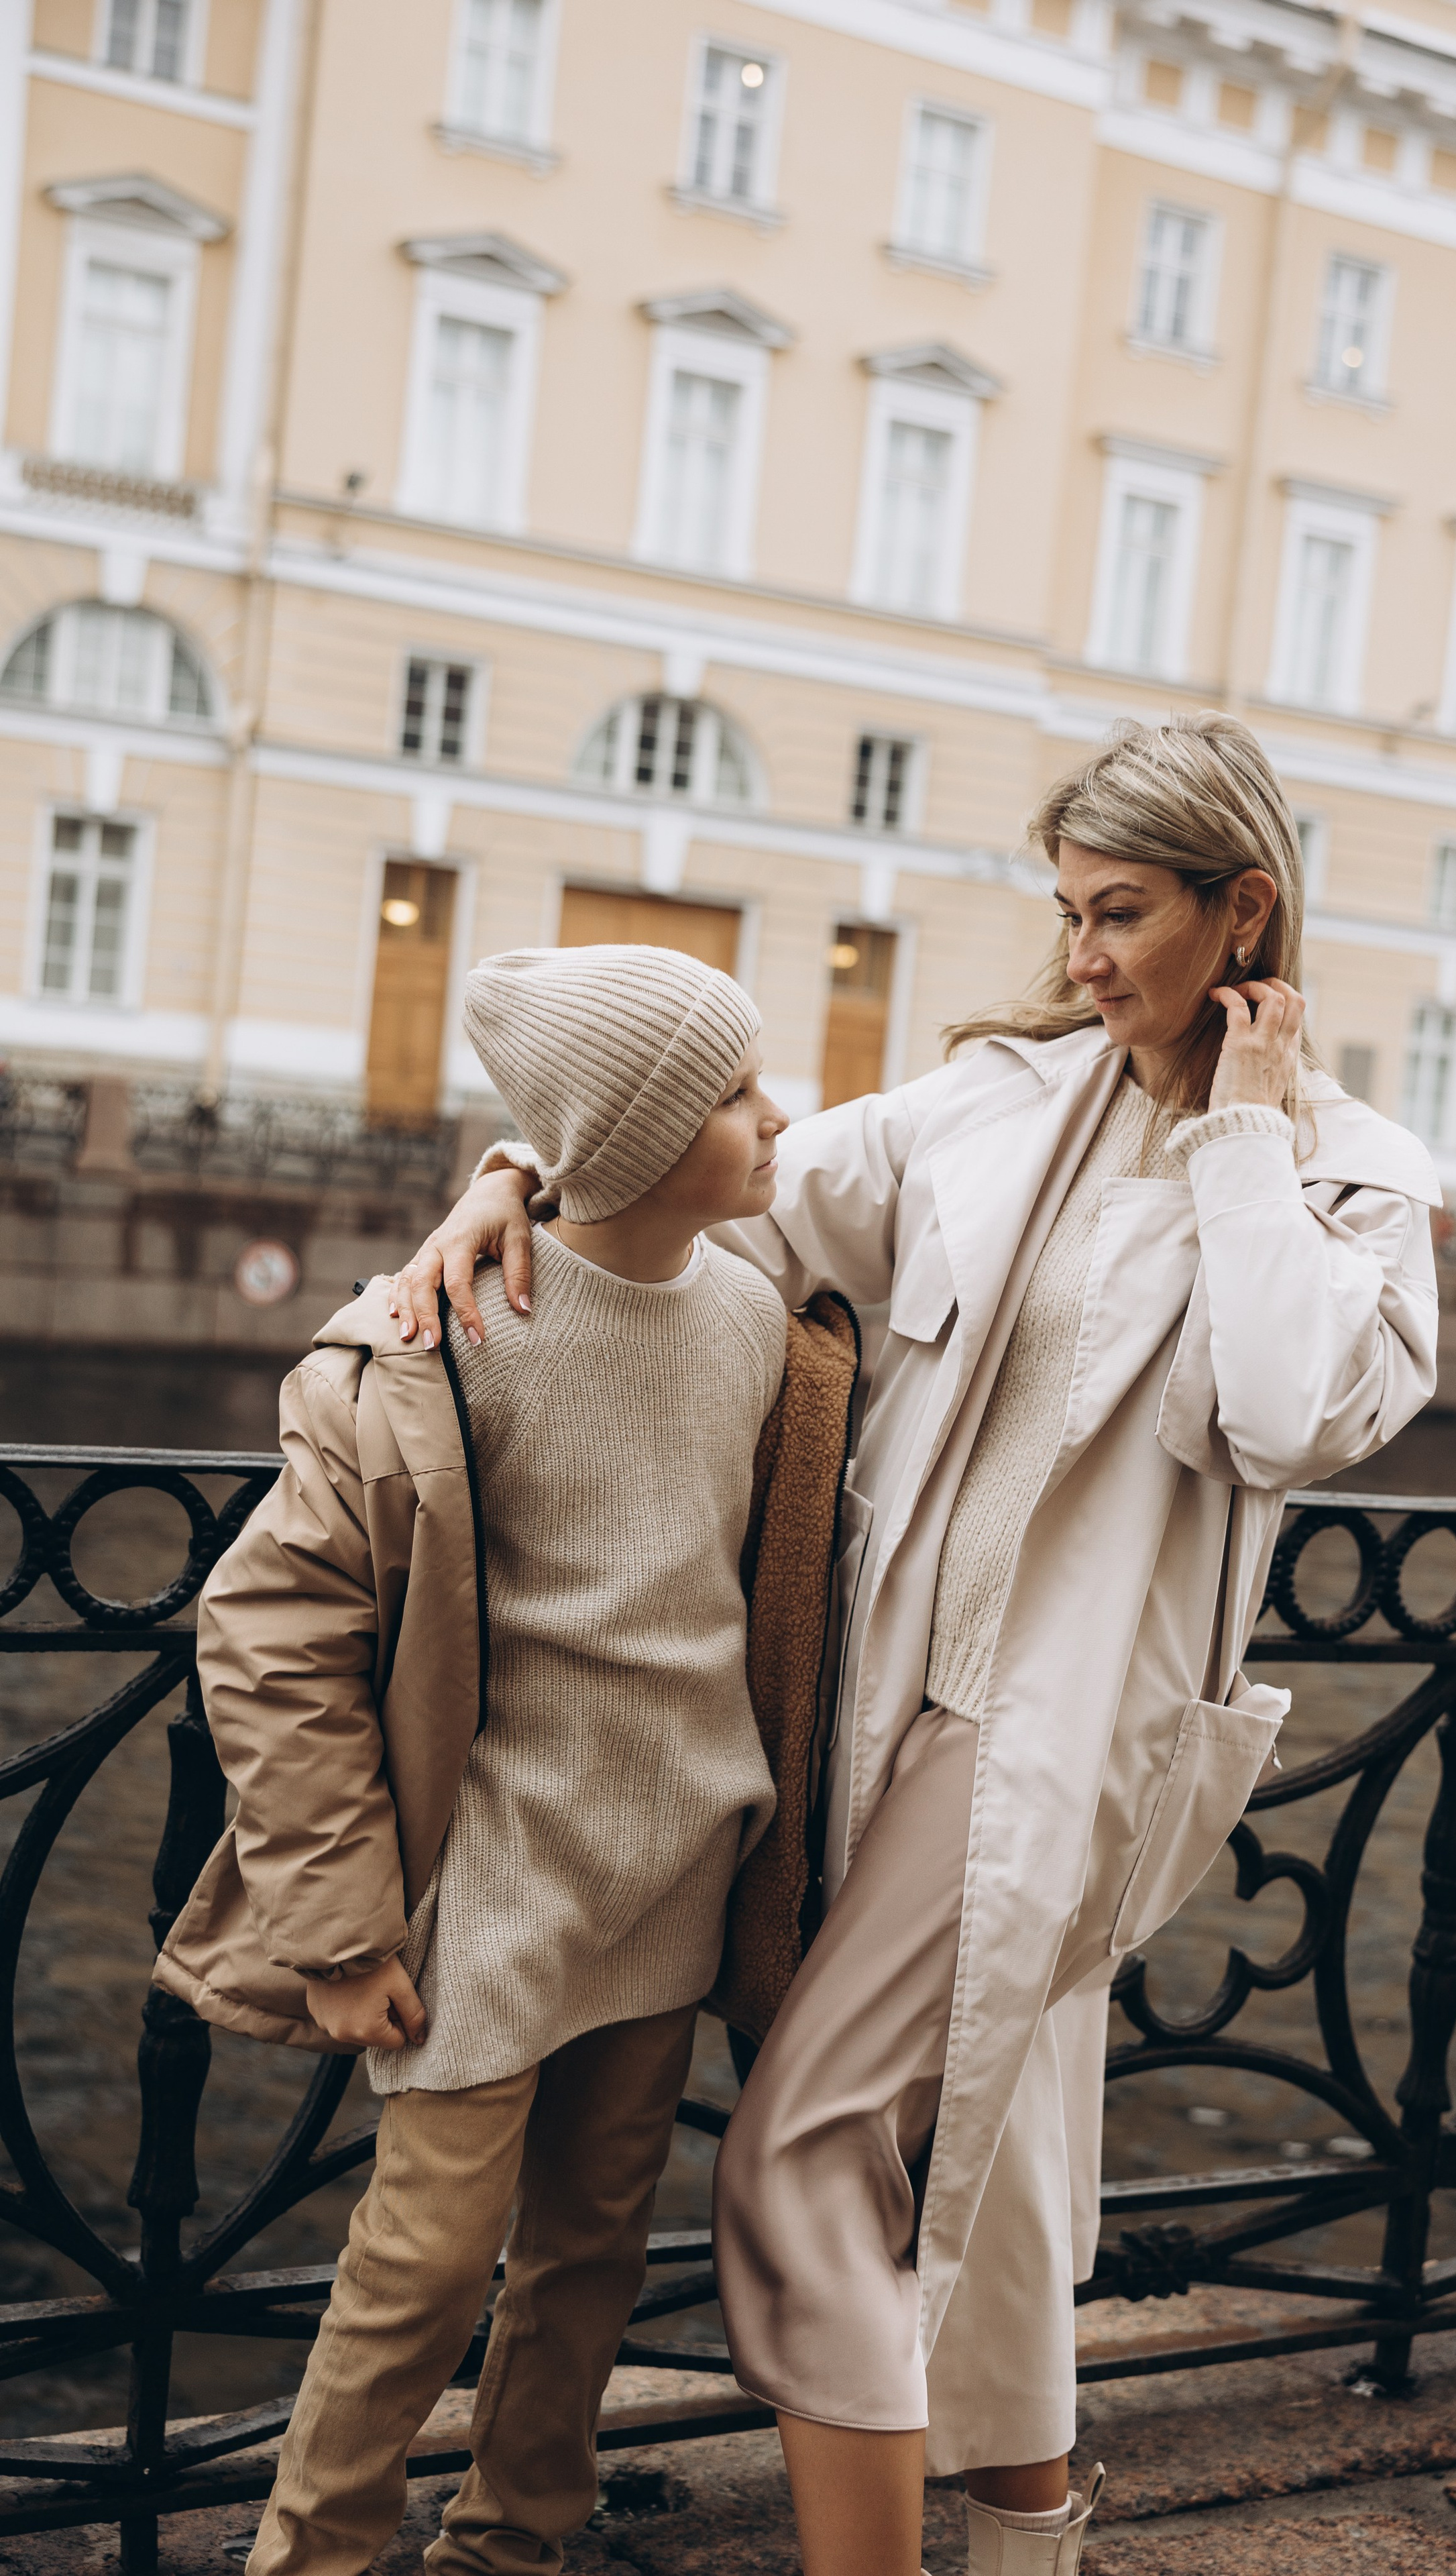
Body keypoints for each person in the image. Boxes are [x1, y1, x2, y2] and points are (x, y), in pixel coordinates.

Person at [391, 713, 1441, 2576]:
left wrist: (1247, 1136)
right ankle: (1031, 2543)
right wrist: (509, 1172)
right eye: (1069, 912)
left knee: (801, 2147)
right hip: (868, 1707)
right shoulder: (998, 1104)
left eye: (1121, 914)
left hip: (1049, 1735)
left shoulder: (1354, 1175)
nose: (1086, 956)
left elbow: (1293, 1407)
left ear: (1244, 910)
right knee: (990, 2128)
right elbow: (711, 1193)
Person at [156, 944, 857, 2576]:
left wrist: (508, 1166)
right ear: (634, 1132)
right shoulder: (439, 1337)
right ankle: (310, 2558)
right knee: (418, 2268)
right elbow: (270, 1637)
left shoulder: (755, 1316)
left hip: (675, 1864)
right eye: (734, 1094)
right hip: (494, 1879)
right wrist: (337, 1931)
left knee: (593, 2250)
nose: (775, 1117)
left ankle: (514, 2542)